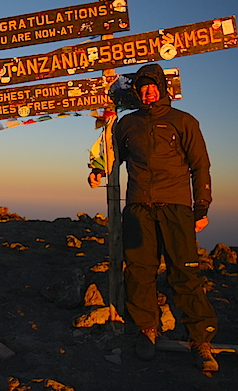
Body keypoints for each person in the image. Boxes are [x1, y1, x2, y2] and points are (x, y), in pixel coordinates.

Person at [88, 63, 219, 372]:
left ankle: (201, 340)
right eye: (142, 88)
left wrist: (202, 207)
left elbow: (201, 166)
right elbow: (113, 155)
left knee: (184, 273)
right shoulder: (127, 124)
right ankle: (147, 330)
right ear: (136, 91)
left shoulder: (183, 122)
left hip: (176, 207)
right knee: (139, 271)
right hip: (137, 207)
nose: (147, 92)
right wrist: (97, 170)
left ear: (162, 88)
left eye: (152, 87)